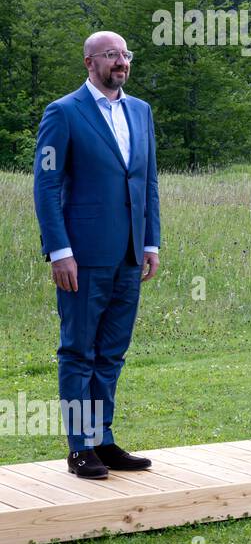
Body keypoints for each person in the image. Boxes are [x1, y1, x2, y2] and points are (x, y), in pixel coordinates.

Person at [33, 31, 161, 479]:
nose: (120, 61)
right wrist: (59, 250)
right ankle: (79, 447)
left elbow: (148, 183)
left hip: (129, 254)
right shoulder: (63, 113)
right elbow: (46, 186)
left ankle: (103, 439)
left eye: (125, 54)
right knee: (78, 352)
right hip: (81, 256)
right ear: (89, 62)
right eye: (110, 55)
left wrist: (150, 242)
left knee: (111, 353)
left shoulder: (140, 112)